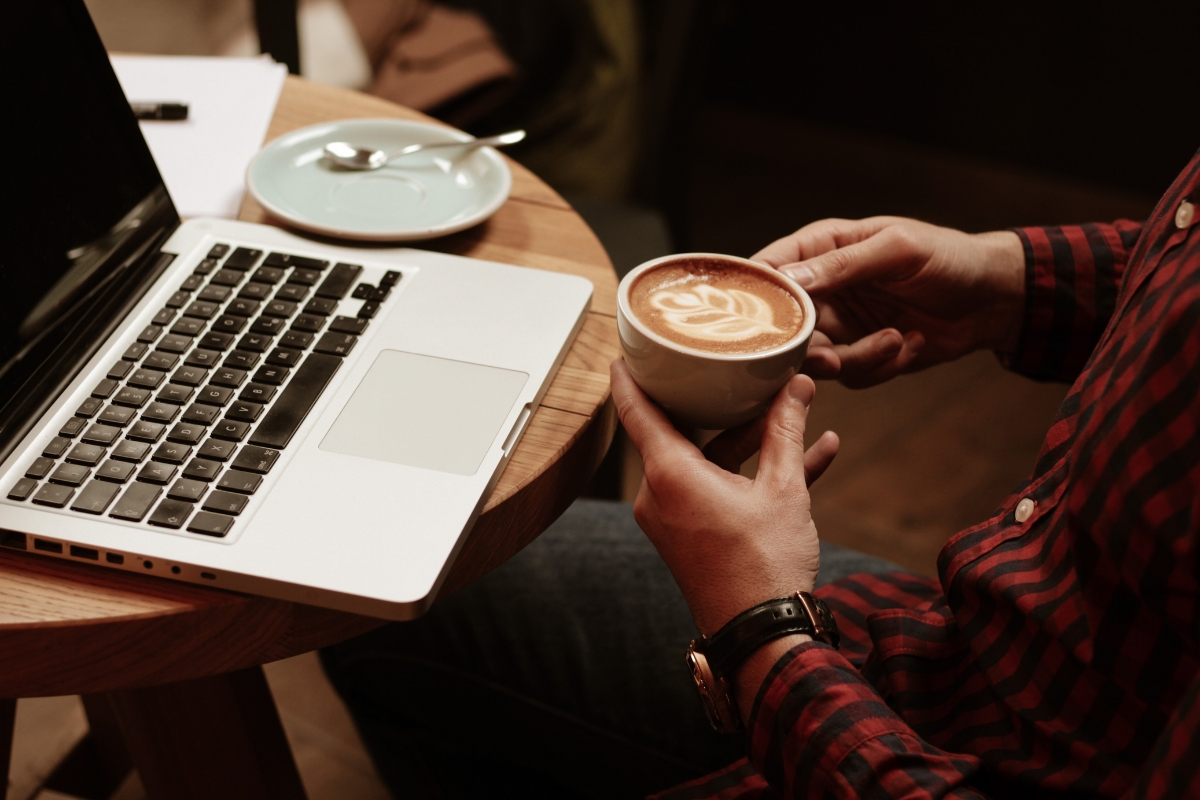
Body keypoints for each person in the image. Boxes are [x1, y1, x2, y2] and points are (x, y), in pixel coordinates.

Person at [321, 147, 1200, 799]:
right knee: (397, 574)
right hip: (965, 646)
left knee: (403, 583)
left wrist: (758, 632)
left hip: (924, 751)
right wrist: (1013, 279)